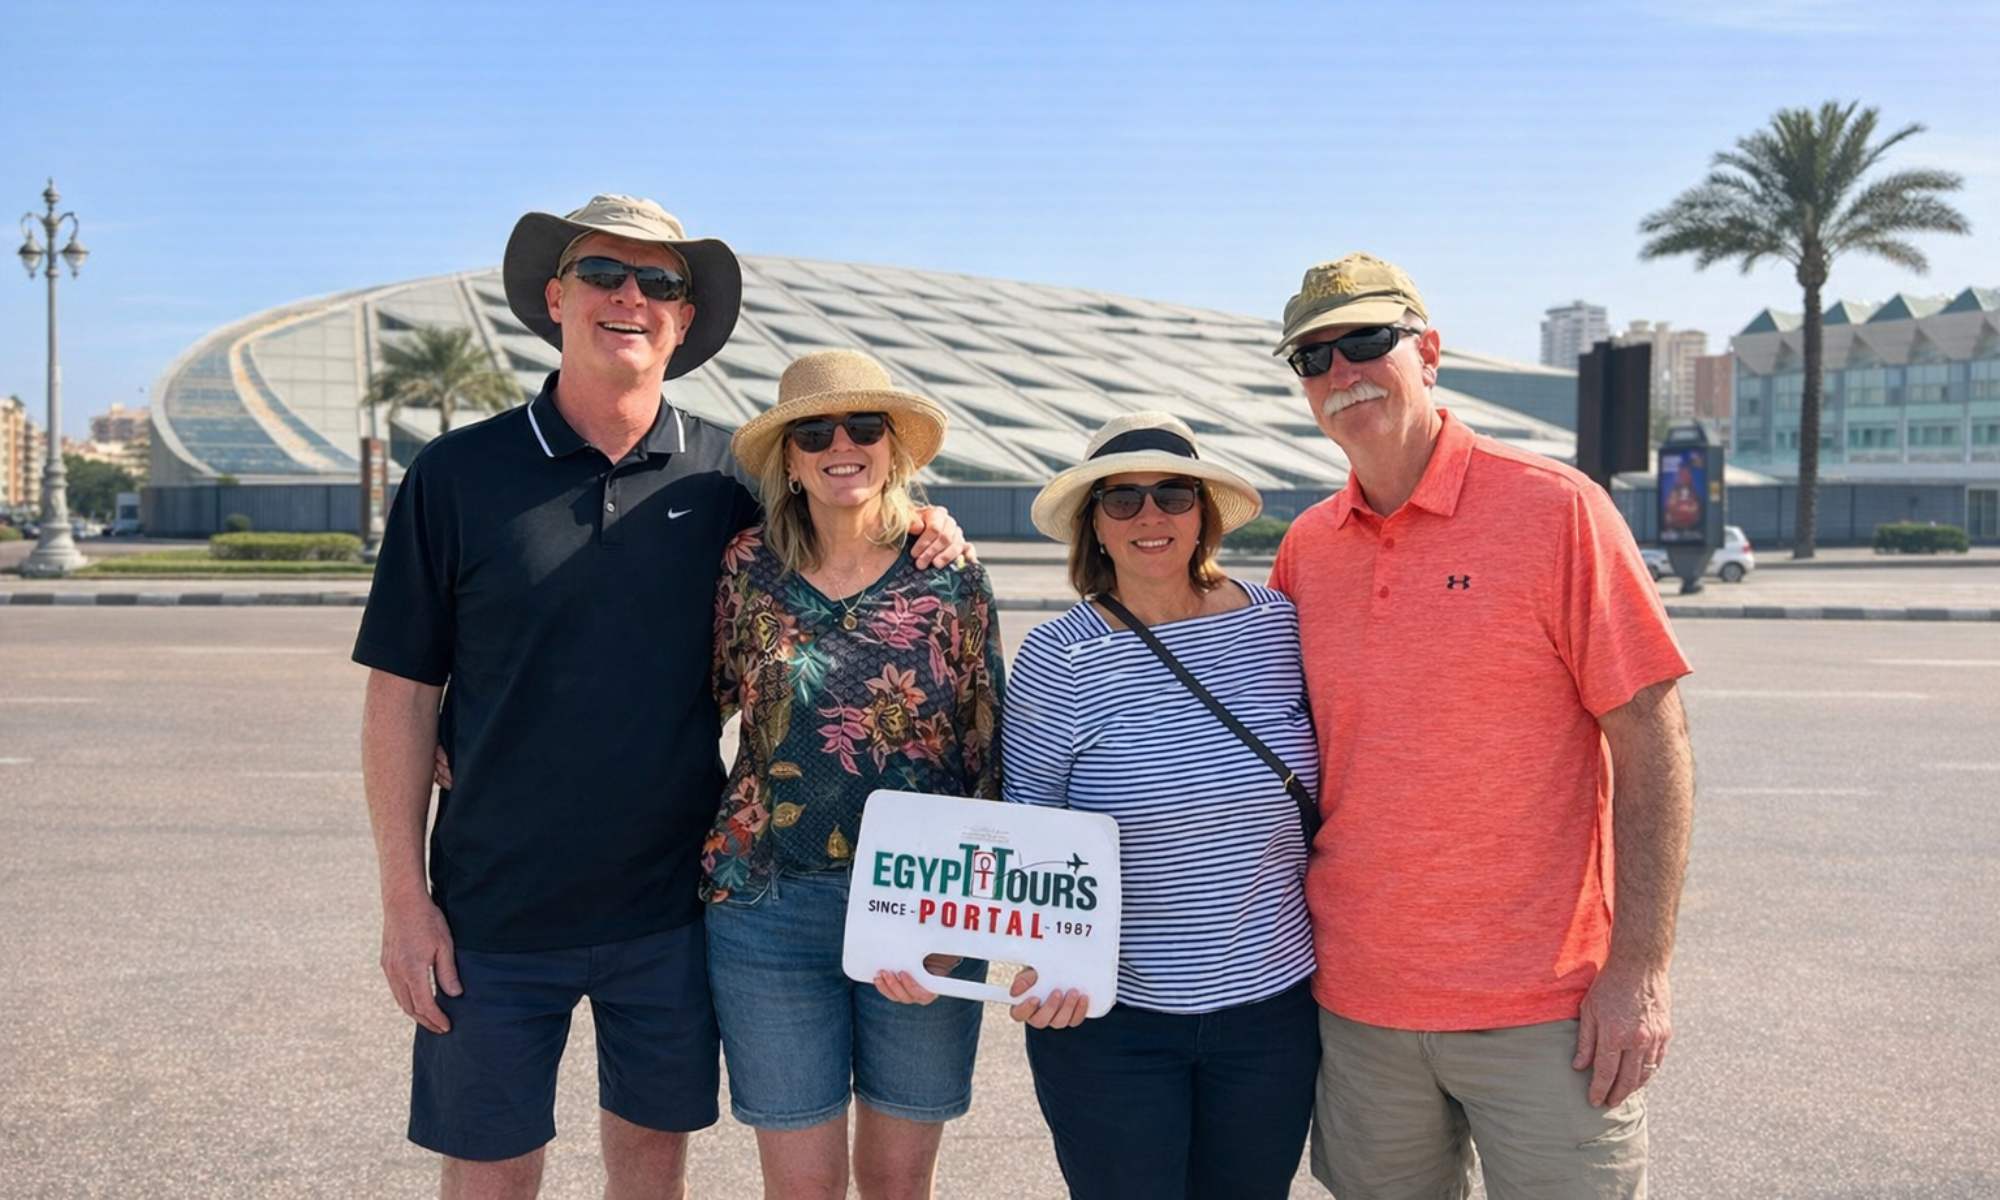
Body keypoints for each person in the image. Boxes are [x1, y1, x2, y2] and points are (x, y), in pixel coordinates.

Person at [356, 195, 965, 1200]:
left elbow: (845, 532)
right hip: (490, 908)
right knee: (491, 1171)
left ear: (683, 322)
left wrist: (927, 522)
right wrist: (402, 898)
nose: (629, 296)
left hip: (670, 905)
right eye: (602, 273)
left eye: (660, 283)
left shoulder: (731, 477)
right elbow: (402, 696)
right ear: (555, 298)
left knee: (649, 1168)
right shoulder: (456, 474)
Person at [1268, 253, 1696, 1200]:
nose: (1340, 373)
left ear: (1427, 351)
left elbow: (1653, 745)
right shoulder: (1307, 549)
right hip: (1361, 1009)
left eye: (1365, 342)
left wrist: (1640, 970)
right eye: (1312, 358)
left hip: (1548, 1013)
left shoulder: (1557, 512)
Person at [699, 349, 1004, 1200]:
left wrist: (973, 922)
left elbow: (990, 751)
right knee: (800, 1188)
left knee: (900, 1187)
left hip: (925, 905)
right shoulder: (746, 569)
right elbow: (688, 704)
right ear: (789, 460)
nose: (843, 445)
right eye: (815, 431)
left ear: (893, 448)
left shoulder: (949, 574)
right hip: (767, 907)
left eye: (864, 427)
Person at [996, 411, 1321, 1199]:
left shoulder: (1279, 626)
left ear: (1204, 513)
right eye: (1122, 499)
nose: (1150, 516)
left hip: (1271, 1011)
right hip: (1110, 1016)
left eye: (1174, 495)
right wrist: (1045, 960)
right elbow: (1027, 829)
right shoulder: (1059, 656)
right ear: (1093, 526)